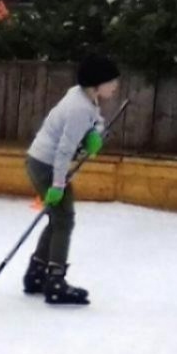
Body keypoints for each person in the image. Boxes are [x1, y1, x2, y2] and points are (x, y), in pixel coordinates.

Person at [22, 53, 120, 305]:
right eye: (111, 82)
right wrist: (57, 185)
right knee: (64, 218)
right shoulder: (79, 107)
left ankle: (36, 273)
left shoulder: (83, 97)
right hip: (47, 165)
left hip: (39, 160)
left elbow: (96, 120)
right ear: (95, 84)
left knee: (57, 218)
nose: (115, 86)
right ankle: (55, 281)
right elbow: (64, 150)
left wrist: (94, 134)